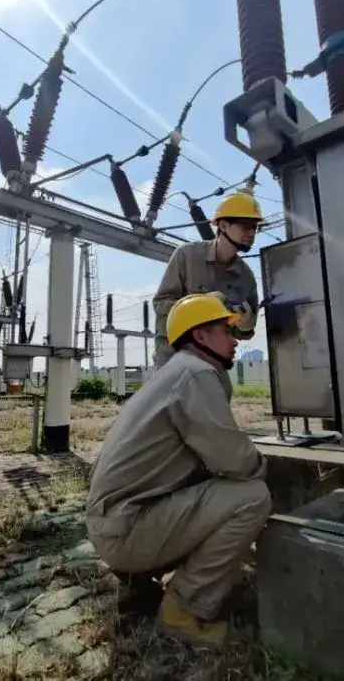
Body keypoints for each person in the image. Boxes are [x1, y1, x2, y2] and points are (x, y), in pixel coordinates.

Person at [85, 293, 271, 647]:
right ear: (200, 336)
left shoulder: (173, 373)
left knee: (218, 489)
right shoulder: (196, 374)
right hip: (127, 531)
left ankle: (139, 579)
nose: (235, 339)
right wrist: (267, 467)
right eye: (226, 329)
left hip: (113, 524)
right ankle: (183, 613)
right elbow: (236, 461)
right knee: (251, 497)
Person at [151, 191, 262, 373]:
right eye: (246, 226)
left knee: (220, 394)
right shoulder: (187, 255)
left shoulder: (246, 277)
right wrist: (202, 304)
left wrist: (245, 324)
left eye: (255, 227)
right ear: (224, 226)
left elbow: (244, 333)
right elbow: (160, 304)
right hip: (173, 358)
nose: (251, 233)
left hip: (212, 362)